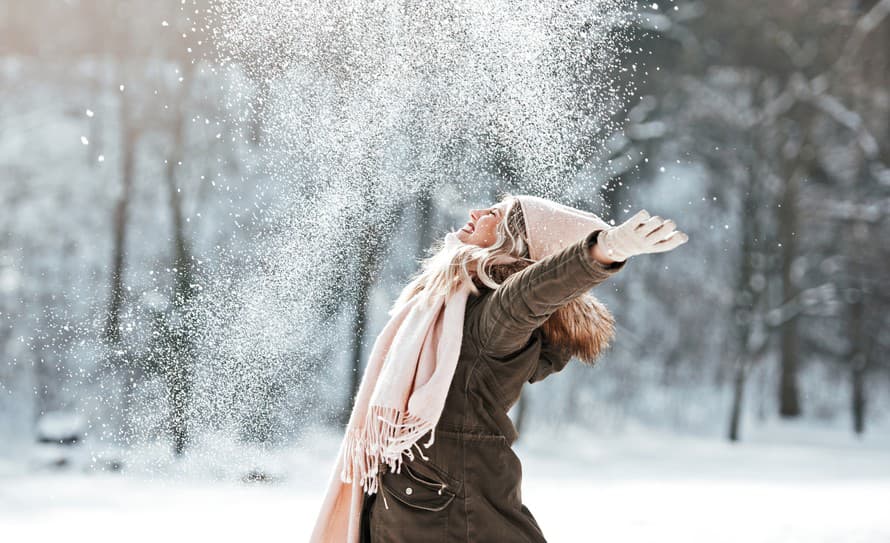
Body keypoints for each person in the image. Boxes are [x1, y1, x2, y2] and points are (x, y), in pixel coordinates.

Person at [311, 193, 689, 542]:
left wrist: (602, 251)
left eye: (495, 214)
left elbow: (530, 293)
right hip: (422, 501)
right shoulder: (452, 307)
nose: (475, 213)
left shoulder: (492, 320)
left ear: (515, 244)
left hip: (448, 509)